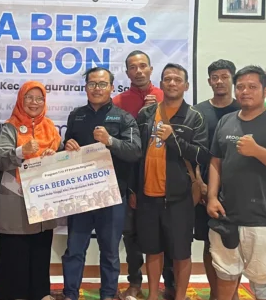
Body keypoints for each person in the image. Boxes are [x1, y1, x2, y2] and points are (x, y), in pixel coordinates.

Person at [207, 66, 266, 300]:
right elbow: (216, 161)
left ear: (265, 91)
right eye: (240, 87)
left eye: (252, 87)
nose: (245, 91)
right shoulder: (226, 121)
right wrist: (211, 197)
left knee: (262, 281)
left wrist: (257, 151)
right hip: (226, 215)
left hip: (263, 218)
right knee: (225, 274)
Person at [61, 67, 142, 300]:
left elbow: (135, 151)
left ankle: (107, 295)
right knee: (74, 249)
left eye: (102, 84)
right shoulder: (76, 115)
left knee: (109, 251)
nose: (97, 88)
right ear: (86, 87)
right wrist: (67, 147)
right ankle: (70, 294)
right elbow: (66, 149)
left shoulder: (124, 118)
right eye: (92, 84)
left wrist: (111, 141)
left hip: (112, 194)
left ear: (112, 87)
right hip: (80, 194)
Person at [131, 64, 208, 300]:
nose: (172, 83)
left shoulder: (194, 117)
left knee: (181, 252)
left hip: (179, 197)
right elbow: (136, 153)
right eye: (167, 79)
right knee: (152, 250)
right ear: (161, 84)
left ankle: (180, 296)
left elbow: (202, 155)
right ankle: (153, 295)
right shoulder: (146, 114)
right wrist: (133, 189)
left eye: (177, 79)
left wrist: (173, 139)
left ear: (186, 85)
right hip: (147, 195)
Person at [0, 82, 61, 300]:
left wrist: (56, 154)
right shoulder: (10, 127)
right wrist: (21, 151)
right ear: (21, 100)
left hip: (43, 201)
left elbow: (60, 159)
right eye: (29, 97)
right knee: (15, 253)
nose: (34, 102)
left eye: (39, 98)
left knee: (40, 251)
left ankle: (40, 294)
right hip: (16, 200)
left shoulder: (50, 127)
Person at [111, 50, 169, 299]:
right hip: (130, 174)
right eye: (133, 67)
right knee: (131, 231)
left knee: (165, 231)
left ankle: (169, 283)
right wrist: (141, 115)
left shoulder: (166, 96)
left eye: (143, 66)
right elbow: (119, 141)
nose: (139, 71)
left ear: (151, 69)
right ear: (127, 73)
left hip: (162, 173)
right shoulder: (118, 102)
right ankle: (134, 282)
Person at [192, 60, 241, 300]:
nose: (219, 81)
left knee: (236, 244)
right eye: (214, 77)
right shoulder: (197, 112)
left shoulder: (243, 108)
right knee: (209, 243)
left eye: (224, 76)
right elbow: (192, 152)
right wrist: (200, 184)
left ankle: (232, 294)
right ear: (209, 81)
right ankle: (215, 293)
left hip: (238, 189)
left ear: (232, 79)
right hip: (205, 187)